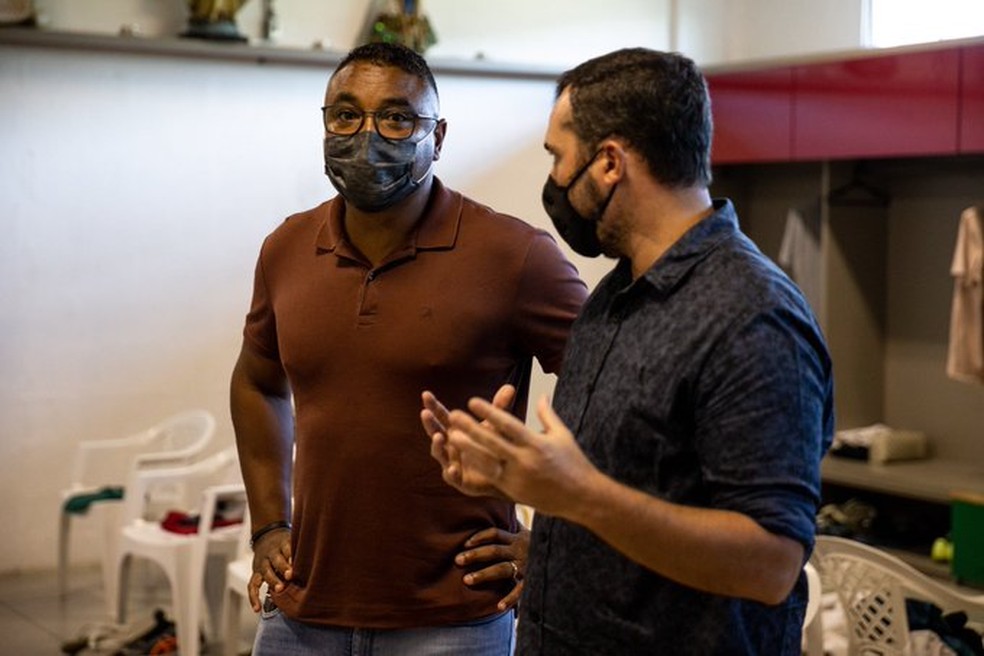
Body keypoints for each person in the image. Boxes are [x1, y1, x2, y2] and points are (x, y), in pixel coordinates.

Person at [421, 47, 834, 655]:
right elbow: (629, 497)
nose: (554, 183)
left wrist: (576, 497)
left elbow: (769, 564)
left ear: (609, 163)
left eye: (559, 159)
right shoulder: (612, 299)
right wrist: (550, 531)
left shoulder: (753, 317)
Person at [230, 42, 587, 655]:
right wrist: (269, 524)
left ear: (438, 136)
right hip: (302, 610)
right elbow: (257, 381)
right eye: (345, 114)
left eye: (396, 117)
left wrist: (552, 538)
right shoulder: (285, 249)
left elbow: (609, 389)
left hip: (454, 618)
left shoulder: (515, 256)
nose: (367, 134)